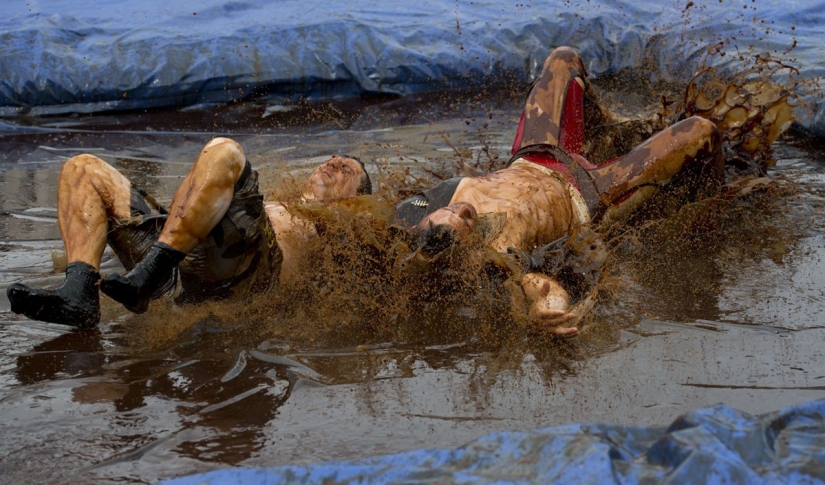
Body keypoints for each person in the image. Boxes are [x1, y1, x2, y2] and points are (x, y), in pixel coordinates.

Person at [390, 46, 731, 337]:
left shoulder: (415, 210)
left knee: (563, 58)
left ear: (425, 222)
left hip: (534, 156)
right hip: (590, 191)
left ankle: (607, 129)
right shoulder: (500, 256)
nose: (462, 211)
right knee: (703, 131)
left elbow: (366, 225)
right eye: (465, 224)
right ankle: (711, 211)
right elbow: (540, 287)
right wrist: (548, 311)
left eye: (448, 215)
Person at [6, 138, 372, 328]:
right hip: (187, 259)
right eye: (332, 160)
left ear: (356, 198)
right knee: (81, 168)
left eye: (346, 169)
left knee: (225, 150)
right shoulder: (282, 200)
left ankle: (150, 273)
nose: (333, 163)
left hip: (251, 271)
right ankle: (79, 293)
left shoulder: (341, 224)